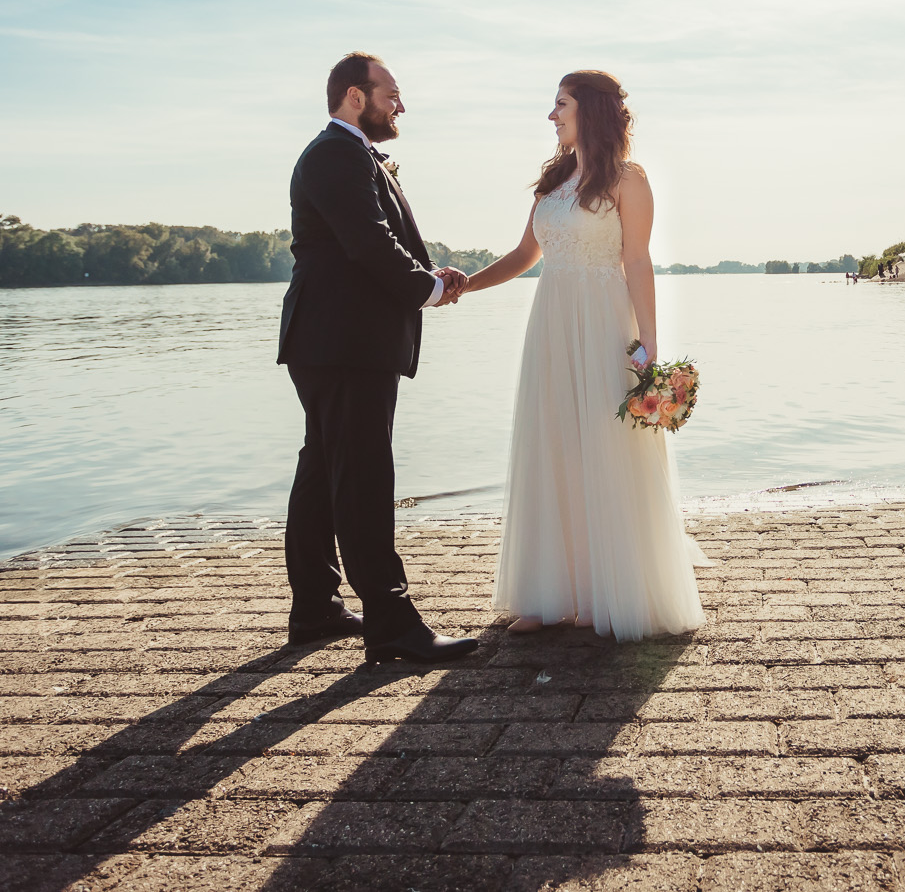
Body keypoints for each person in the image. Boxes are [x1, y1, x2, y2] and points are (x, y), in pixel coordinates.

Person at [458, 70, 708, 641]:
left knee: (604, 446)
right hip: (551, 322)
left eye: (561, 104)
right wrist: (465, 286)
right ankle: (550, 592)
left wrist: (649, 342)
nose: (552, 116)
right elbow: (525, 254)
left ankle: (605, 589)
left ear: (589, 110)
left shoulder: (628, 179)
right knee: (552, 443)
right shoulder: (553, 181)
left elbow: (637, 261)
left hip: (603, 322)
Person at [276, 52, 478, 666]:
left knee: (323, 468)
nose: (401, 106)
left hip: (331, 340)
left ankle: (315, 608)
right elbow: (369, 243)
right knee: (363, 475)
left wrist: (429, 272)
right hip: (345, 342)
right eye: (392, 94)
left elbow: (373, 240)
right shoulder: (336, 154)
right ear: (356, 97)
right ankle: (390, 624)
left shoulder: (348, 154)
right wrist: (429, 289)